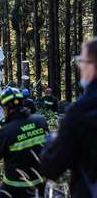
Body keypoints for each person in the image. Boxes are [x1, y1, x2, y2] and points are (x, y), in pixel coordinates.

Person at [41, 38, 97, 198]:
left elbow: (52, 166)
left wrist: (50, 142)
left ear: (92, 67)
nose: (80, 67)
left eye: (82, 61)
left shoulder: (80, 112)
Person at [0, 87, 49, 198]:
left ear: (7, 108)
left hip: (15, 187)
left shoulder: (7, 130)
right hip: (39, 183)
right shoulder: (40, 120)